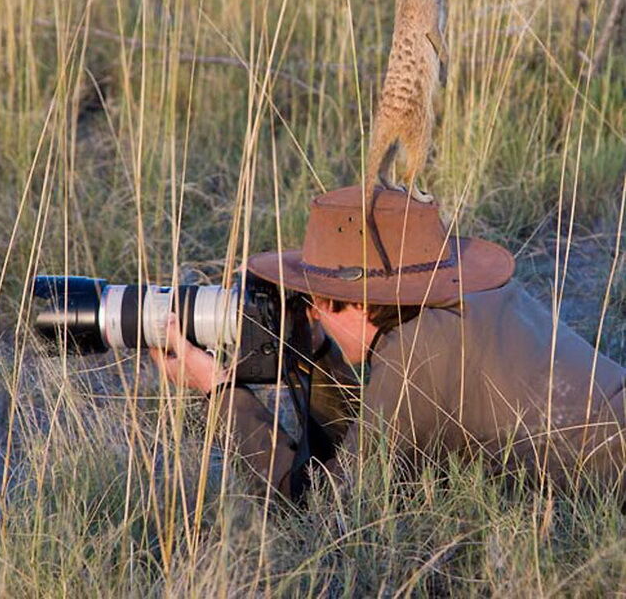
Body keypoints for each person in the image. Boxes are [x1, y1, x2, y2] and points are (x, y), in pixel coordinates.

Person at [150, 186, 626, 499]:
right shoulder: (475, 303)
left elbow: (329, 509)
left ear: (353, 301)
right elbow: (370, 440)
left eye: (318, 300)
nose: (311, 311)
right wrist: (314, 356)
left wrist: (221, 393)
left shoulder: (419, 351)